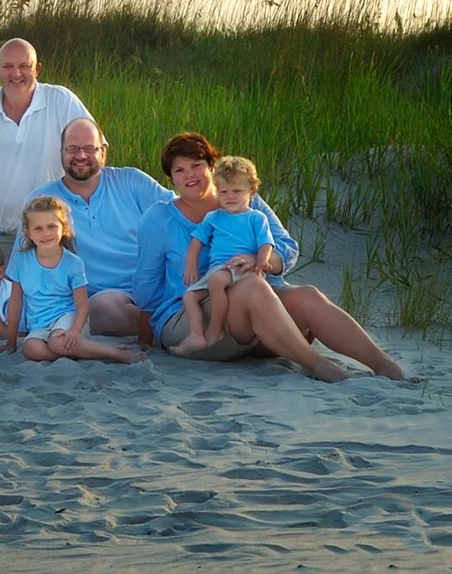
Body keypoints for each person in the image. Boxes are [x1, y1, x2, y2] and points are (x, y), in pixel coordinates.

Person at [133, 131, 417, 382]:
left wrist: (261, 259)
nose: (190, 175)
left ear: (212, 167)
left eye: (196, 165)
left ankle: (383, 364)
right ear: (170, 178)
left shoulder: (243, 198)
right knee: (252, 286)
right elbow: (148, 282)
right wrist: (145, 340)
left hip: (253, 313)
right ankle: (318, 364)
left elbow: (286, 246)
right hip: (191, 320)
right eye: (179, 170)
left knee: (307, 295)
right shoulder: (159, 218)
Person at [24, 117, 175, 337]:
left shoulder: (132, 181)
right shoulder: (42, 200)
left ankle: (172, 318)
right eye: (72, 148)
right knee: (102, 310)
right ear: (61, 153)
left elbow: (183, 208)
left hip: (157, 285)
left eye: (89, 148)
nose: (81, 156)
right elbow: (25, 262)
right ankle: (166, 324)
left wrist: (241, 208)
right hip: (105, 300)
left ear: (103, 151)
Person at [0, 37, 96, 253]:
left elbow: (93, 146)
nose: (16, 74)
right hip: (0, 234)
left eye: (24, 66)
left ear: (37, 69)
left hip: (55, 232)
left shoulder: (61, 100)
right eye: (8, 66)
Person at [0, 196, 147, 364]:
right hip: (40, 324)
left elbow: (82, 305)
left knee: (57, 341)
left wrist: (76, 331)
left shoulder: (72, 263)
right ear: (28, 233)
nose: (45, 233)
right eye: (38, 228)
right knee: (31, 349)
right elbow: (16, 302)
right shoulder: (21, 260)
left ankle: (117, 354)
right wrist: (10, 342)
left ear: (64, 228)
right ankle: (83, 350)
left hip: (70, 318)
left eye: (52, 226)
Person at [173, 156, 275, 356]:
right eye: (223, 192)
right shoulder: (214, 217)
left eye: (237, 191)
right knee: (190, 296)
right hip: (218, 268)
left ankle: (215, 330)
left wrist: (262, 259)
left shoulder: (255, 217)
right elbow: (196, 242)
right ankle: (196, 335)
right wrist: (191, 266)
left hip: (240, 267)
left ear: (251, 192)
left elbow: (266, 243)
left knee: (217, 281)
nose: (230, 197)